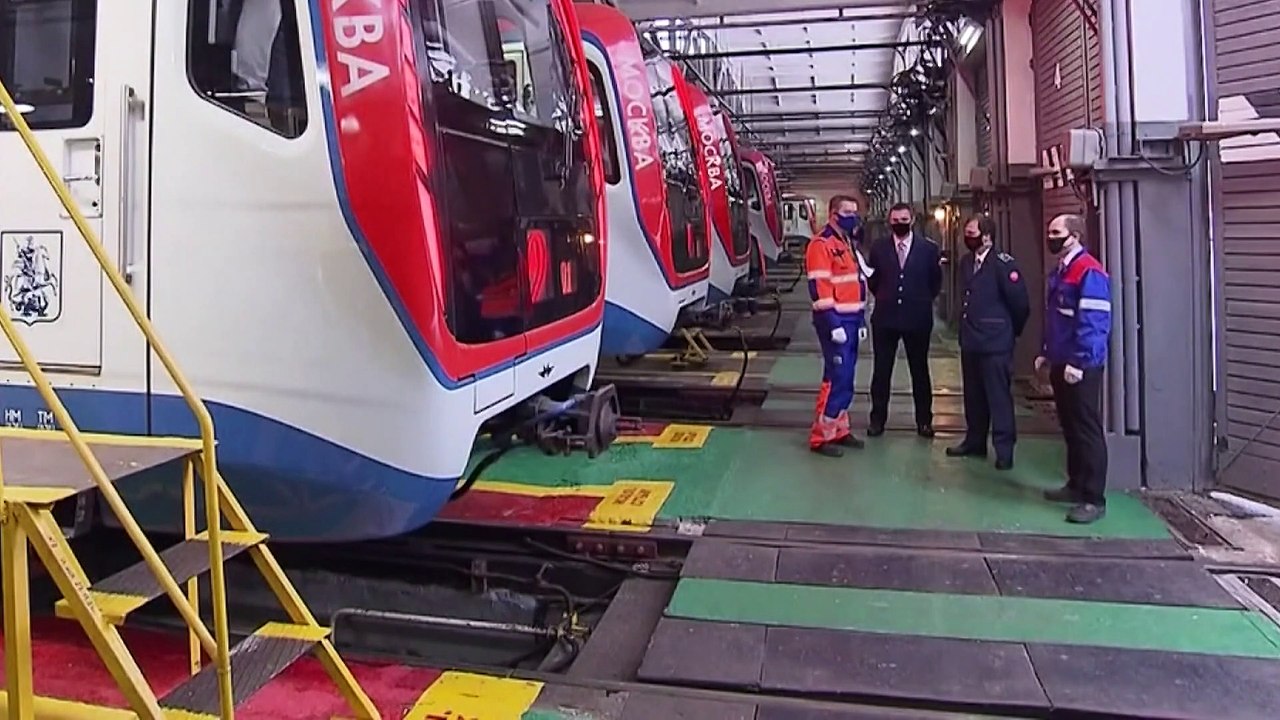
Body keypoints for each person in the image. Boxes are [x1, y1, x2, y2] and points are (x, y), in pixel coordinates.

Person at [1038, 213, 1113, 523]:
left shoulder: (1089, 271)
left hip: (1080, 365)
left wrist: (1080, 361)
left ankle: (1094, 498)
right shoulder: (1064, 269)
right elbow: (1057, 316)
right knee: (1069, 425)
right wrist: (1046, 352)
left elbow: (1094, 322)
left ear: (1075, 236)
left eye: (1056, 231)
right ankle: (1076, 484)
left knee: (1086, 429)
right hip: (1061, 360)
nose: (1050, 236)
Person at [946, 216, 1030, 469]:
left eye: (972, 233)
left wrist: (1007, 331)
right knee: (973, 396)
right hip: (971, 341)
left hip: (995, 344)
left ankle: (1004, 450)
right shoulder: (966, 262)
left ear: (986, 236)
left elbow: (1020, 304)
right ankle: (975, 441)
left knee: (998, 397)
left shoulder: (1004, 265)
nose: (967, 237)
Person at [865, 203, 943, 437]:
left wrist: (918, 299)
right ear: (890, 222)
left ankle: (924, 421)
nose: (899, 223)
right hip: (885, 319)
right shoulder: (878, 249)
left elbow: (935, 282)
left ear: (913, 220)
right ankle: (877, 420)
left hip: (917, 319)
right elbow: (873, 280)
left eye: (904, 219)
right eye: (895, 219)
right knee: (881, 372)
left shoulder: (929, 249)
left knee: (919, 371)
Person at [805, 195, 869, 457]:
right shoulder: (821, 245)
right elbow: (819, 286)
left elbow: (857, 283)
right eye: (847, 211)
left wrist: (861, 319)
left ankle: (839, 430)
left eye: (854, 211)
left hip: (852, 320)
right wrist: (832, 323)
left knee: (847, 379)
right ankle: (821, 437)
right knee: (836, 378)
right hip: (835, 321)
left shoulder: (847, 243)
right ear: (833, 214)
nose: (852, 216)